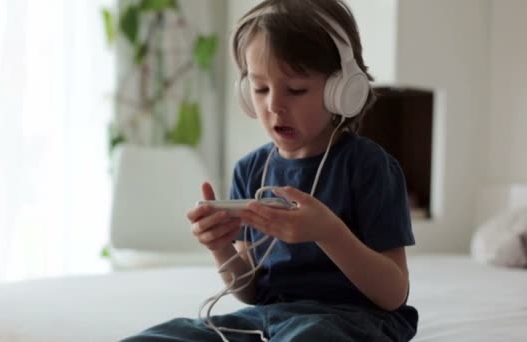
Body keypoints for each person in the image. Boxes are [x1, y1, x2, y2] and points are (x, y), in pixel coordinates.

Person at [121, 0, 418, 341]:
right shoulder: (251, 170)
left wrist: (329, 232)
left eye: (295, 90)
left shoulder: (370, 168)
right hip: (268, 318)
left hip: (351, 319)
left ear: (342, 89)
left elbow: (394, 293)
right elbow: (251, 292)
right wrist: (220, 247)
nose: (274, 105)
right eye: (260, 89)